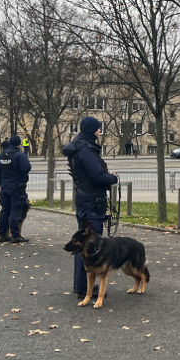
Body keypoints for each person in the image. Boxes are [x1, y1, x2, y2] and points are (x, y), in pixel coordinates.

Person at [64, 117, 119, 296]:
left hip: (85, 198)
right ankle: (83, 287)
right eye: (98, 128)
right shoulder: (86, 150)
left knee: (85, 244)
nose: (99, 131)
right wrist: (112, 178)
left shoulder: (80, 146)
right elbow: (97, 177)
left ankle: (80, 285)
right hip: (91, 201)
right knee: (90, 245)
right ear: (91, 130)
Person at [0, 134, 32, 243]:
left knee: (5, 210)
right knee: (16, 210)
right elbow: (27, 168)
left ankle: (2, 234)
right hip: (17, 187)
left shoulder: (1, 156)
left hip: (5, 186)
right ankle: (15, 235)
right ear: (19, 144)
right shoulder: (19, 155)